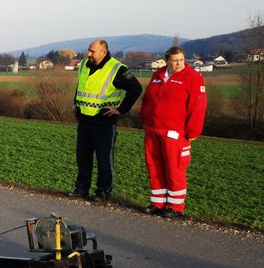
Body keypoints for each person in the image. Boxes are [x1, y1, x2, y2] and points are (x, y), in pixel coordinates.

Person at [69, 39, 143, 202]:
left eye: (92, 51)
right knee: (83, 157)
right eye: (88, 50)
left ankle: (103, 192)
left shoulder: (117, 69)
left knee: (104, 160)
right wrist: (76, 102)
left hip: (104, 120)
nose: (88, 54)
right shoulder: (83, 64)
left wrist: (121, 109)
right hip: (84, 118)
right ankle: (81, 189)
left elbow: (136, 88)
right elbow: (82, 85)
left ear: (103, 52)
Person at [137, 46, 207, 218]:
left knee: (174, 168)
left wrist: (193, 131)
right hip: (153, 129)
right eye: (175, 60)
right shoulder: (158, 75)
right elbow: (147, 99)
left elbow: (198, 106)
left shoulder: (193, 78)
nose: (179, 63)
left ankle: (175, 206)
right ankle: (157, 202)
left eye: (181, 60)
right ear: (167, 60)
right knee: (154, 166)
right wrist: (144, 119)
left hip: (175, 132)